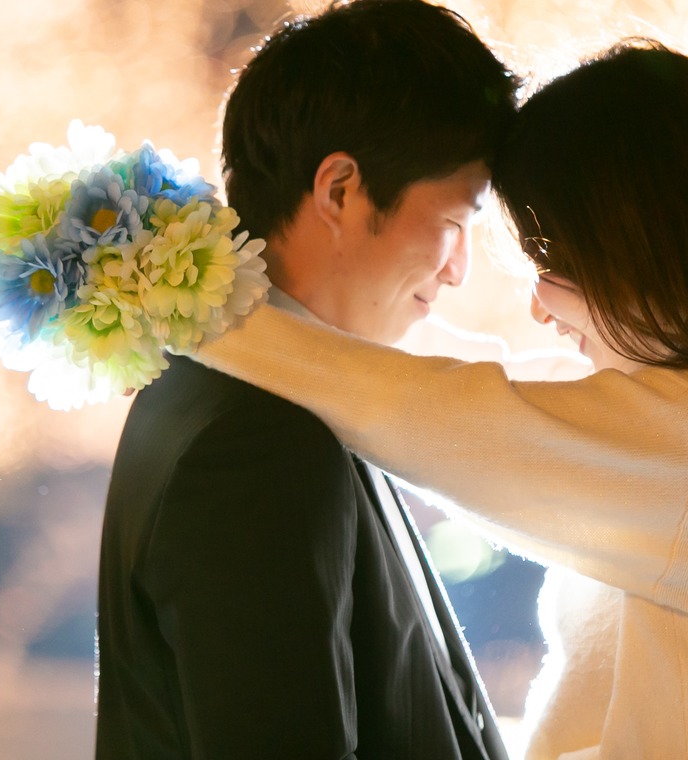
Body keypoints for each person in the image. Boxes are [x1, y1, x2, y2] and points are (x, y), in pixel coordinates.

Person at [195, 41, 688, 759]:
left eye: (552, 266)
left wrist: (164, 288)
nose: (539, 309)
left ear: (638, 247)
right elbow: (496, 385)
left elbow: (431, 413)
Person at [95, 1, 517, 758]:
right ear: (341, 190)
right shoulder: (257, 439)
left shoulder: (259, 389)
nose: (458, 270)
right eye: (455, 224)